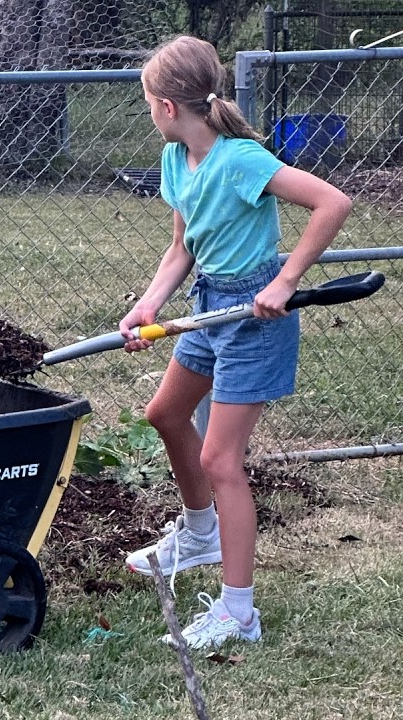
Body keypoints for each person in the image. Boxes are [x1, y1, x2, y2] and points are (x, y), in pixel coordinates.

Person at [118, 36, 352, 649]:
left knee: (221, 460)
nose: (148, 113)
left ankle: (240, 612)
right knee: (165, 414)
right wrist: (149, 304)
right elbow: (182, 247)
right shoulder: (177, 161)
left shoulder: (241, 159)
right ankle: (200, 533)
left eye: (148, 102)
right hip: (209, 304)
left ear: (168, 106)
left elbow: (333, 202)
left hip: (254, 315)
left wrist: (285, 280)